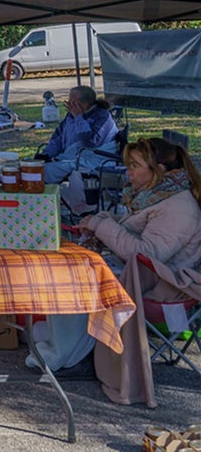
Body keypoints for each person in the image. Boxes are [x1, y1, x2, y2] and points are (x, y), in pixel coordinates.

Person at [30, 138, 201, 383]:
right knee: (71, 268)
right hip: (148, 275)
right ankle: (69, 348)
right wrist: (102, 219)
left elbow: (145, 254)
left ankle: (74, 356)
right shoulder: (159, 195)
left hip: (165, 286)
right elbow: (138, 233)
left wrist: (102, 224)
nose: (128, 171)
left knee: (77, 278)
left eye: (134, 166)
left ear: (159, 170)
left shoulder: (178, 207)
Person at [36, 85, 119, 186]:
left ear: (84, 104)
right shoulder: (70, 116)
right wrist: (46, 154)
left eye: (72, 101)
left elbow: (90, 142)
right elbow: (58, 138)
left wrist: (79, 118)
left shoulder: (102, 116)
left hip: (95, 159)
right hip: (71, 157)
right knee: (35, 168)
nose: (69, 104)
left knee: (45, 172)